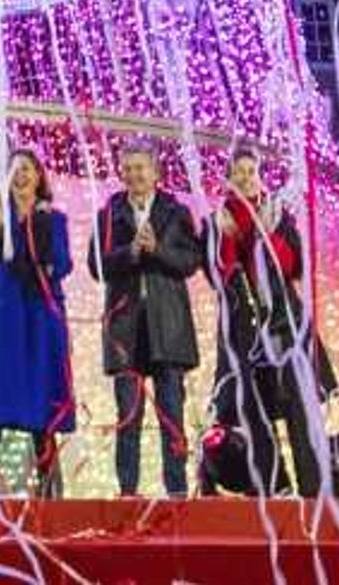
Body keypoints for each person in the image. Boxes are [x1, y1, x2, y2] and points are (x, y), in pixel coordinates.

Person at [207, 146, 322, 500]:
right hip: (242, 329)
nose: (245, 177)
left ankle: (314, 488)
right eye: (238, 172)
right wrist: (224, 236)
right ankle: (277, 485)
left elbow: (295, 267)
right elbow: (217, 275)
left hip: (284, 324)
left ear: (259, 176)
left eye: (250, 171)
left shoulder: (278, 215)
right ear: (229, 179)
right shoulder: (217, 220)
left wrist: (267, 234)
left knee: (299, 407)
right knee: (252, 409)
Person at [96, 146, 205, 499]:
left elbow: (191, 261)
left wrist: (157, 250)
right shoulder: (110, 214)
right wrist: (130, 254)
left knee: (171, 412)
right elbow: (96, 265)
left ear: (156, 173)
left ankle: (176, 490)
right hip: (125, 329)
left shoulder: (175, 212)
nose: (134, 174)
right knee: (128, 416)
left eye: (141, 167)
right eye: (127, 168)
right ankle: (128, 491)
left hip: (167, 326)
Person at [0, 150, 72, 496]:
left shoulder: (53, 218)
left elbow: (62, 263)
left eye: (27, 169)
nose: (21, 175)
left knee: (40, 401)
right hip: (4, 319)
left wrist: (39, 228)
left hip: (40, 318)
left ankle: (48, 490)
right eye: (14, 169)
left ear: (39, 176)